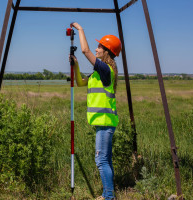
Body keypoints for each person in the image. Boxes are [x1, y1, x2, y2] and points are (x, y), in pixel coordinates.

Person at [69, 22, 121, 200]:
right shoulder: (98, 73)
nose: (96, 48)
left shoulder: (106, 70)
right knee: (106, 160)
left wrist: (80, 29)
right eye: (97, 46)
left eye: (100, 46)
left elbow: (85, 51)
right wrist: (75, 65)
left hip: (105, 123)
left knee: (101, 161)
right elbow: (80, 83)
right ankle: (108, 194)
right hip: (102, 123)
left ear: (107, 51)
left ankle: (108, 197)